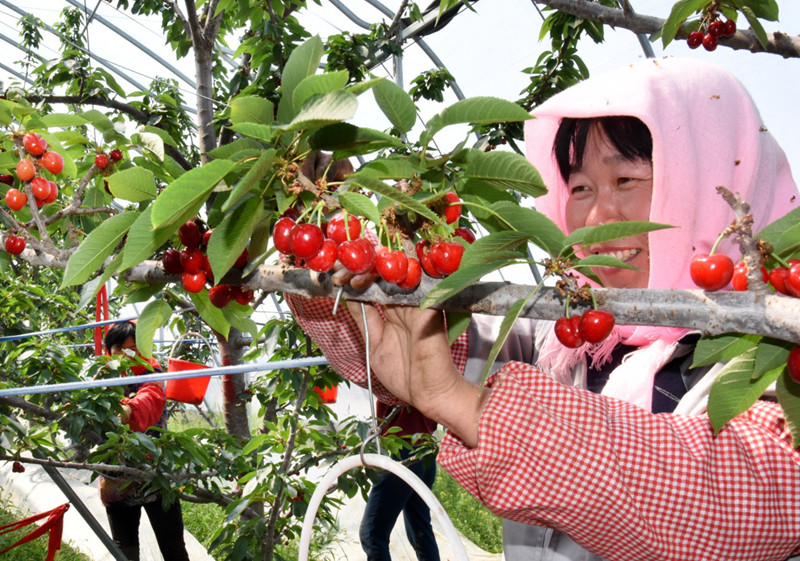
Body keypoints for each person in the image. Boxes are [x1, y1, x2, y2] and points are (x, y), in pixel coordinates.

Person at [286, 56, 800, 561]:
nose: (598, 215)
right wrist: (324, 232)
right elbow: (427, 345)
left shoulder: (776, 351)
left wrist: (469, 406)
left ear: (706, 181)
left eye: (627, 180)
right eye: (579, 187)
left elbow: (741, 497)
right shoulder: (569, 338)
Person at [100, 321, 190, 561]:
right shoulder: (103, 376)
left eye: (132, 348)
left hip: (155, 475)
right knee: (124, 548)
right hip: (116, 478)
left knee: (172, 545)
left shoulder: (151, 375)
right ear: (109, 349)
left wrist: (129, 409)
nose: (125, 354)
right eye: (118, 348)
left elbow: (150, 398)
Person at [360, 402, 440, 561]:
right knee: (420, 531)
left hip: (401, 449)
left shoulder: (397, 379)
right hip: (425, 452)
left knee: (372, 533)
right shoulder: (439, 378)